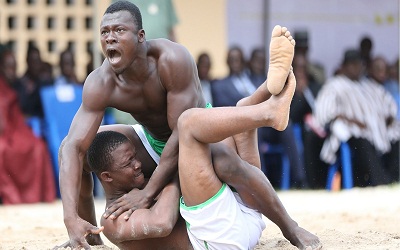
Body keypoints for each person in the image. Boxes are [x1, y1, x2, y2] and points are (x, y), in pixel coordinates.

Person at [57, 1, 316, 249]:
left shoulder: (172, 59)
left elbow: (181, 134)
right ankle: (88, 237)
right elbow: (73, 148)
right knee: (78, 149)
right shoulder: (101, 82)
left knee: (225, 159)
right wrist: (71, 219)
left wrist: (148, 193)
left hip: (200, 136)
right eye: (104, 32)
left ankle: (290, 227)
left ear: (141, 36)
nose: (110, 38)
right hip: (153, 139)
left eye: (119, 30)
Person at [83, 70, 320, 250]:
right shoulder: (111, 219)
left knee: (221, 155)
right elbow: (163, 222)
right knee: (188, 123)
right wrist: (173, 172)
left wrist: (159, 180)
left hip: (248, 211)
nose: (138, 164)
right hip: (215, 240)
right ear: (106, 176)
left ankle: (259, 101)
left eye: (134, 157)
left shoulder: (138, 187)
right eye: (128, 163)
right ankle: (264, 114)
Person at [314, 49, 400, 187]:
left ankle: (394, 179)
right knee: (360, 139)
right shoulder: (335, 84)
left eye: (358, 64)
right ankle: (380, 182)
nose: (356, 68)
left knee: (397, 135)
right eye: (352, 64)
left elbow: (389, 104)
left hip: (378, 130)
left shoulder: (368, 85)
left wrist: (389, 118)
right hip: (354, 131)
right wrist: (350, 120)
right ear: (344, 66)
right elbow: (325, 111)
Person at [0, 45, 56, 204]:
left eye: (14, 67)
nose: (12, 71)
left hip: (16, 129)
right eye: (8, 67)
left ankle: (37, 197)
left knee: (38, 147)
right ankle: (12, 197)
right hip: (4, 133)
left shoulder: (17, 85)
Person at [247, 47, 308, 189]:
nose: (259, 64)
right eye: (256, 60)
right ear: (250, 62)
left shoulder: (271, 80)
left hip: (272, 124)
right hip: (254, 125)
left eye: (262, 61)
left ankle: (300, 179)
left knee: (286, 126)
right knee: (256, 128)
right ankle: (262, 180)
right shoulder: (245, 79)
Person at [290, 52, 328, 189]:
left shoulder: (315, 86)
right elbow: (292, 116)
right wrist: (299, 93)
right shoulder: (288, 89)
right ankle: (312, 182)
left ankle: (326, 181)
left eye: (303, 68)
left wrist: (307, 89)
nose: (300, 71)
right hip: (303, 129)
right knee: (309, 137)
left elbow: (323, 107)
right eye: (297, 68)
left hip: (322, 126)